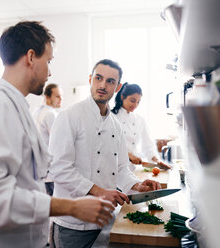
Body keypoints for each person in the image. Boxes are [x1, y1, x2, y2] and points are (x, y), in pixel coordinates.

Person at [0, 21, 114, 248]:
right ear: (31, 57)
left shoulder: (15, 106)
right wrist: (72, 207)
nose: (50, 71)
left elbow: (24, 179)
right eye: (49, 61)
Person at [48, 59, 162, 248]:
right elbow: (58, 168)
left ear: (117, 87)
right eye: (98, 78)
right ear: (91, 79)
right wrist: (99, 191)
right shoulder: (69, 116)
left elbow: (122, 169)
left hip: (104, 219)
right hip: (72, 224)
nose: (103, 85)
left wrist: (138, 185)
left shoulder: (115, 126)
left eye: (110, 81)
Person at [111, 82, 172, 170]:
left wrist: (157, 161)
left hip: (132, 169)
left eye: (138, 102)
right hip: (114, 168)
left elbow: (148, 146)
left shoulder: (140, 119)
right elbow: (109, 145)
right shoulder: (111, 117)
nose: (135, 105)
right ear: (122, 97)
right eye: (132, 100)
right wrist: (129, 155)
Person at [33, 83, 62, 196]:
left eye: (61, 96)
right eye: (57, 96)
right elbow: (59, 141)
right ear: (47, 97)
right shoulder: (50, 114)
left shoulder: (38, 111)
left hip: (40, 168)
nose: (61, 99)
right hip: (50, 169)